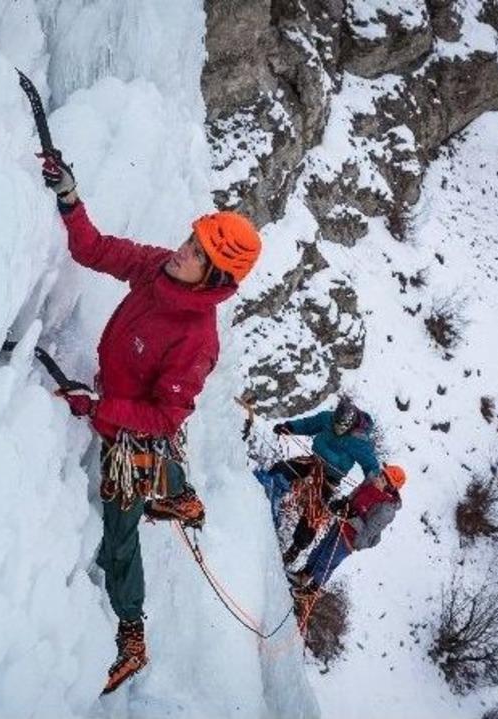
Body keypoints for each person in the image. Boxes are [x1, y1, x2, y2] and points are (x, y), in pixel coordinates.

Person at [39, 151, 261, 695]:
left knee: (120, 535)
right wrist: (70, 197)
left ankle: (132, 634)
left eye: (195, 253)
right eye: (190, 242)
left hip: (128, 431)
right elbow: (97, 249)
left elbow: (163, 419)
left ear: (214, 277)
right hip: (118, 405)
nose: (181, 252)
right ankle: (181, 498)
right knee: (164, 467)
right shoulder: (160, 270)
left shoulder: (197, 341)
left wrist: (98, 409)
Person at [269, 395, 382, 566]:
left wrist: (376, 486)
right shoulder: (328, 418)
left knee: (314, 513)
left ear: (350, 425)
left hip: (330, 477)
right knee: (282, 469)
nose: (337, 428)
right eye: (336, 424)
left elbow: (371, 466)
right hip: (314, 461)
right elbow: (308, 424)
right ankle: (267, 501)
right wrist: (289, 427)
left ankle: (295, 549)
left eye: (341, 426)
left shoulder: (359, 442)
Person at [288, 464, 406, 617]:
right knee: (321, 549)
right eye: (381, 476)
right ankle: (304, 575)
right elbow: (354, 496)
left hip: (352, 538)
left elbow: (368, 532)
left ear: (390, 488)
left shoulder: (386, 510)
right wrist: (344, 502)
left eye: (383, 480)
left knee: (327, 560)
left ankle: (311, 591)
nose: (379, 479)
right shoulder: (370, 484)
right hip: (342, 522)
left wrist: (352, 516)